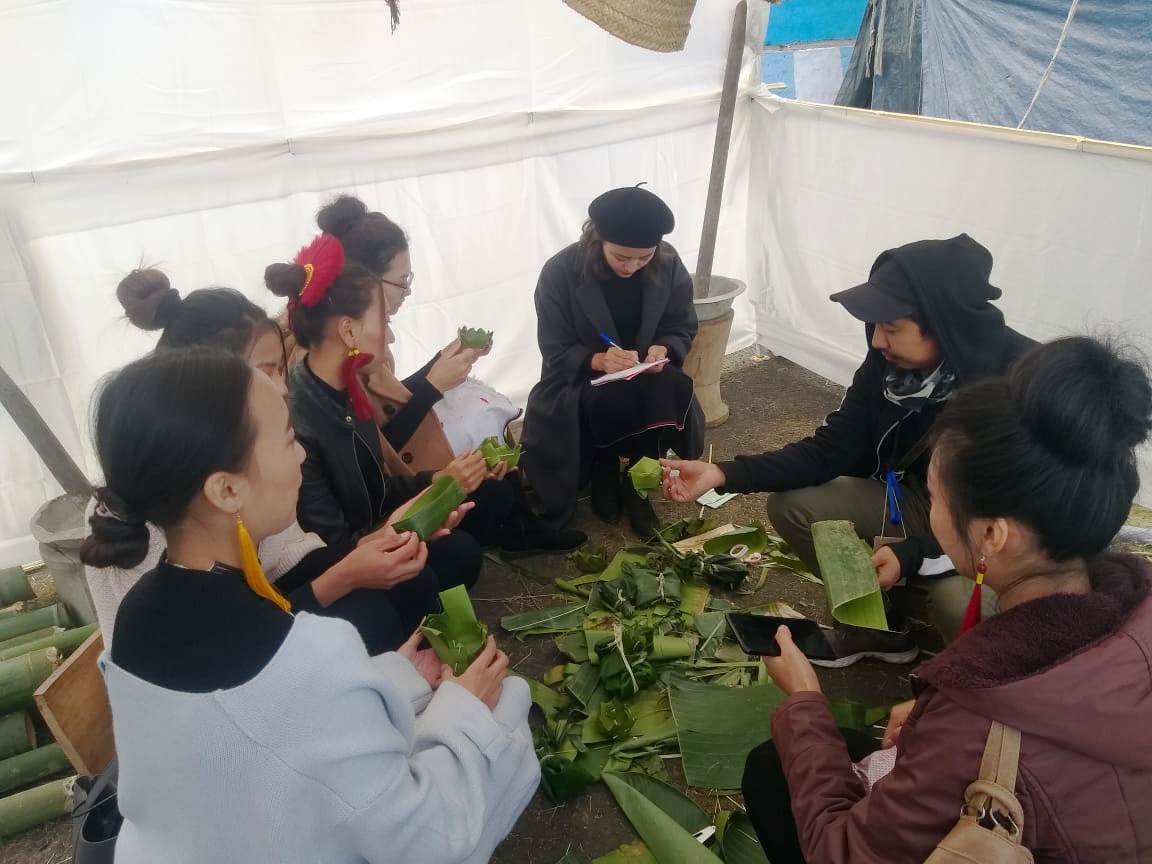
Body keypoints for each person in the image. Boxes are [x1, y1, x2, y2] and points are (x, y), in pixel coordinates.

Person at [85, 348, 538, 863]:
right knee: (506, 701)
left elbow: (265, 734)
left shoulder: (139, 614)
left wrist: (398, 674)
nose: (302, 454)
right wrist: (463, 707)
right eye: (287, 439)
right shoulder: (308, 653)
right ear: (227, 489)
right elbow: (424, 839)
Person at [742, 336, 1152, 864]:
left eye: (934, 499)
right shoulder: (1132, 611)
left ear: (992, 535)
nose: (929, 513)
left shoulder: (974, 721)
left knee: (772, 769)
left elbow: (839, 853)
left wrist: (804, 700)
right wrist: (932, 710)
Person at [663, 234, 1034, 653]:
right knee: (795, 506)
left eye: (891, 328)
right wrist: (722, 473)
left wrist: (914, 554)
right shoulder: (888, 365)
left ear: (944, 322)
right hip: (918, 502)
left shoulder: (1022, 385)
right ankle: (878, 627)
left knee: (957, 602)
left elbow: (1023, 520)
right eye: (875, 326)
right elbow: (832, 448)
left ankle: (976, 676)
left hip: (995, 530)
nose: (876, 341)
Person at [84, 269, 471, 655]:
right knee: (372, 614)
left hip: (257, 612)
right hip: (231, 645)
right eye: (265, 372)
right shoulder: (165, 506)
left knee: (423, 569)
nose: (283, 387)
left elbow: (293, 556)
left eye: (280, 369)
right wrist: (347, 573)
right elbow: (224, 637)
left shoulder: (328, 401)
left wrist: (394, 533)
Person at [308, 195, 586, 557]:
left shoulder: (357, 335)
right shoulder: (332, 359)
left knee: (482, 424)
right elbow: (371, 449)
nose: (408, 292)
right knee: (479, 440)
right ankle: (512, 530)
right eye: (402, 281)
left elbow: (384, 400)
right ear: (365, 282)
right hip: (384, 499)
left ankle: (521, 528)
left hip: (395, 478)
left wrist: (442, 361)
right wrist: (432, 386)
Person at [522, 186, 704, 538]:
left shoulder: (667, 263)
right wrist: (597, 359)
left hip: (645, 371)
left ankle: (638, 481)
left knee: (670, 387)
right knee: (609, 398)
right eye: (621, 257)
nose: (632, 266)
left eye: (643, 258)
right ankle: (602, 467)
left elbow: (681, 323)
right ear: (597, 239)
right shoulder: (560, 272)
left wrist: (664, 348)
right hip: (583, 378)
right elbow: (554, 346)